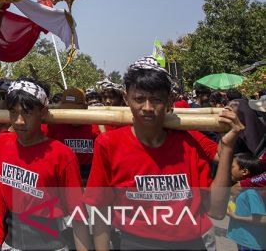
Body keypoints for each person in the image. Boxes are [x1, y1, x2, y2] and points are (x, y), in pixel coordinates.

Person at [85, 56, 245, 250]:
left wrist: (227, 147)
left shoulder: (190, 143)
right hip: (134, 243)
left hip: (190, 244)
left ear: (170, 100)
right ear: (126, 98)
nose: (147, 108)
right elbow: (101, 209)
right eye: (139, 99)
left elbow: (217, 211)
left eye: (156, 100)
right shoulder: (109, 144)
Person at [0, 79, 90, 251]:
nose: (19, 121)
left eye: (27, 113)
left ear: (43, 112)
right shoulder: (2, 144)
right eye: (13, 113)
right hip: (9, 244)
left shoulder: (61, 155)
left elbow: (78, 216)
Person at [46, 87, 100, 185]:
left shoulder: (94, 126)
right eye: (67, 110)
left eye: (74, 109)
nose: (70, 114)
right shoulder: (56, 127)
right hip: (64, 170)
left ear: (84, 107)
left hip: (88, 173)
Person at [226, 152, 266, 250]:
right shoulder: (244, 191)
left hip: (251, 244)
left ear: (244, 172)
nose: (228, 170)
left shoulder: (251, 193)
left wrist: (236, 217)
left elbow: (263, 220)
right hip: (244, 242)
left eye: (232, 167)